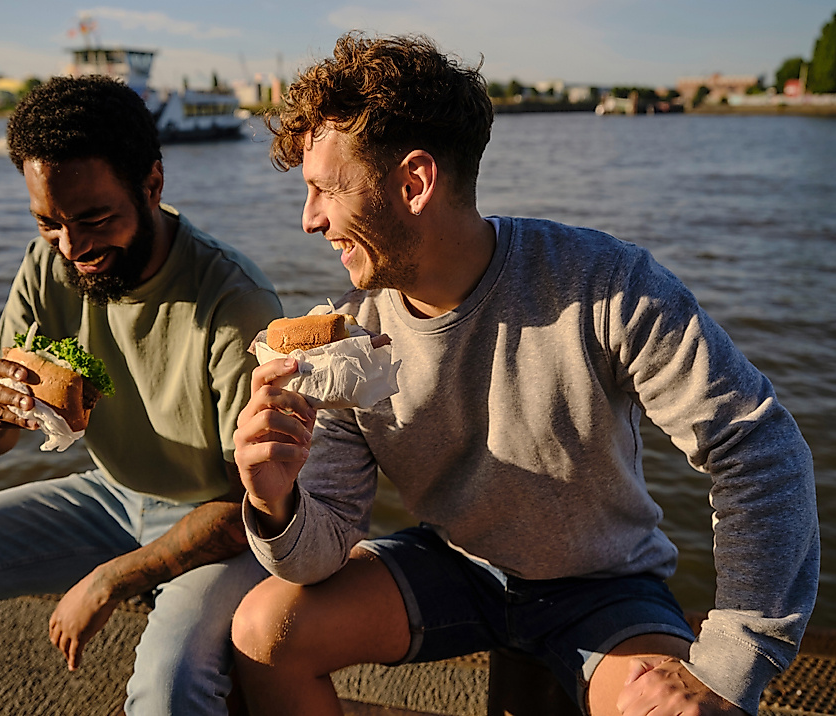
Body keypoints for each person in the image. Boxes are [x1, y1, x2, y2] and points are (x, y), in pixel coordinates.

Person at [230, 32, 819, 716]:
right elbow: (318, 551)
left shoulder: (604, 284)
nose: (309, 220)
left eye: (323, 190)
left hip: (603, 585)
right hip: (454, 566)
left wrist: (729, 665)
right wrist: (275, 502)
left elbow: (758, 448)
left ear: (414, 183)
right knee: (263, 632)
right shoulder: (346, 343)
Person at [0, 75, 282, 716]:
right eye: (49, 222)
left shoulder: (235, 300)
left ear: (152, 184)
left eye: (95, 219)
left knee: (169, 688)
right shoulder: (48, 266)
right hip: (111, 496)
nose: (73, 248)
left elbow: (253, 509)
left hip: (217, 515)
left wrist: (110, 579)